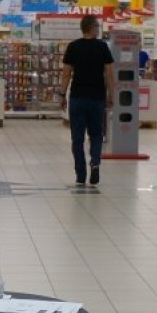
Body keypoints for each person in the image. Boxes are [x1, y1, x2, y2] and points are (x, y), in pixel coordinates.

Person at [60, 15, 115, 187]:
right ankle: (95, 163)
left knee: (77, 138)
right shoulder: (102, 47)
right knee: (96, 135)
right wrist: (111, 95)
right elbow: (109, 73)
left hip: (77, 98)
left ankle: (80, 174)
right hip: (96, 98)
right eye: (97, 26)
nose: (98, 29)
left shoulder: (73, 47)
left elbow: (66, 74)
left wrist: (62, 95)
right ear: (92, 28)